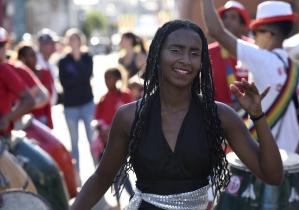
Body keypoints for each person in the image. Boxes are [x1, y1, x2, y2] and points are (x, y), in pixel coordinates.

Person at [70, 19, 283, 210]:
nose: (185, 60)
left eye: (194, 53)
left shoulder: (220, 115)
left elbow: (272, 175)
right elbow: (101, 178)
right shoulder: (129, 117)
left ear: (202, 62)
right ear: (157, 55)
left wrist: (257, 116)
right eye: (176, 50)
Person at [201, 0, 299, 153]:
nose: (252, 37)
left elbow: (216, 31)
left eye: (255, 32)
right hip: (293, 164)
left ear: (268, 34)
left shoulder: (262, 59)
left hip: (263, 164)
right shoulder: (298, 71)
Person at [92, 67, 134, 208]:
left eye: (110, 78)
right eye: (105, 78)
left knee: (121, 172)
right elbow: (96, 120)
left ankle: (132, 197)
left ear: (118, 79)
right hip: (107, 143)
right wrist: (101, 129)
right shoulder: (103, 99)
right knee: (114, 174)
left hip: (123, 142)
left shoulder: (126, 96)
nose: (107, 81)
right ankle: (119, 202)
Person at [58, 28, 95, 171]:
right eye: (71, 39)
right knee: (74, 143)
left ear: (81, 41)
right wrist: (79, 78)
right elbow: (64, 83)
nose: (74, 42)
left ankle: (99, 174)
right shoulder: (63, 61)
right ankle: (76, 176)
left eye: (76, 39)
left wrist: (77, 60)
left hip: (87, 104)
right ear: (68, 42)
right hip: (70, 107)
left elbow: (87, 76)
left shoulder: (87, 57)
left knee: (92, 141)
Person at [208, 0, 250, 110]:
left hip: (253, 117)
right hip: (220, 118)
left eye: (233, 17)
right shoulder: (209, 52)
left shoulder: (253, 48)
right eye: (225, 17)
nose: (227, 21)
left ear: (242, 24)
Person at [0, 27, 35, 135]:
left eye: (3, 45)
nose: (3, 49)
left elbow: (30, 100)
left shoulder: (4, 70)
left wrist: (6, 119)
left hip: (3, 141)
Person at [17, 44, 54, 129]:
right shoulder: (16, 75)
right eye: (31, 56)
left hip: (42, 118)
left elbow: (47, 95)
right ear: (22, 59)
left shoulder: (45, 72)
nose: (35, 58)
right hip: (22, 120)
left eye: (35, 55)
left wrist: (27, 103)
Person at [37, 28, 59, 105]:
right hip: (39, 110)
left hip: (48, 107)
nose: (54, 46)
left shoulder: (50, 62)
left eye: (54, 43)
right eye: (50, 43)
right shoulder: (35, 63)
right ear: (41, 45)